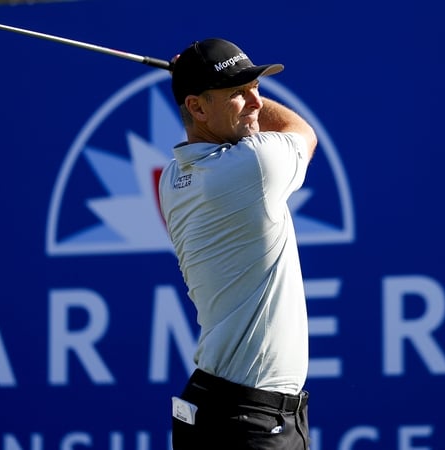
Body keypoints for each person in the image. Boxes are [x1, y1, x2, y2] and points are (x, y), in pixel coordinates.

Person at [157, 38, 318, 450]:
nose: (256, 103)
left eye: (256, 88)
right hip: (250, 422)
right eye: (238, 94)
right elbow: (301, 132)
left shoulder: (174, 180)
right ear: (195, 107)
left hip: (216, 408)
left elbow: (235, 123)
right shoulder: (253, 167)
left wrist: (216, 91)